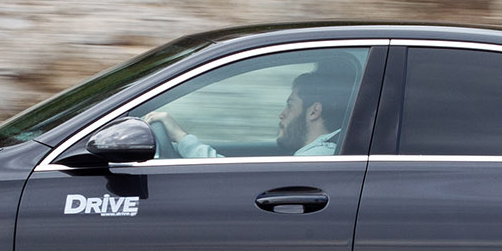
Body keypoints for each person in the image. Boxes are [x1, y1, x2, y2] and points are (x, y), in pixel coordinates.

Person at [145, 58, 360, 159]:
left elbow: (230, 184)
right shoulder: (321, 155)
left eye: (290, 105)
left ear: (314, 112)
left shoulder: (318, 159)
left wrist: (182, 137)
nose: (281, 114)